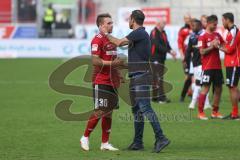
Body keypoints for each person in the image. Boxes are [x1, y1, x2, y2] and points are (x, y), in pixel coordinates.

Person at [107, 10, 170, 153]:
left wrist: (104, 33)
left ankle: (161, 137)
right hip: (136, 75)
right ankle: (137, 142)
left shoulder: (139, 32)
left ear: (133, 20)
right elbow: (130, 52)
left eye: (129, 19)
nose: (128, 22)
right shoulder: (140, 35)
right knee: (137, 110)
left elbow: (118, 42)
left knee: (145, 108)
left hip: (141, 76)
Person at [80, 13, 124, 151]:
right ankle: (85, 137)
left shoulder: (112, 41)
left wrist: (118, 74)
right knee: (100, 111)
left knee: (109, 112)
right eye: (109, 23)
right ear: (101, 25)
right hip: (101, 80)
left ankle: (105, 143)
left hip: (112, 81)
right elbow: (95, 60)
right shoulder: (97, 40)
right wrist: (112, 64)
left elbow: (114, 61)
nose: (112, 25)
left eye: (112, 23)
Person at [197, 15, 224, 120]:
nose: (216, 26)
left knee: (219, 89)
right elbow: (202, 51)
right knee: (205, 88)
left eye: (217, 24)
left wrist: (219, 46)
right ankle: (200, 112)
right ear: (208, 23)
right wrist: (212, 46)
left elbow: (224, 45)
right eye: (214, 24)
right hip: (207, 67)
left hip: (217, 66)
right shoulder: (202, 36)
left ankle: (215, 112)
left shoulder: (217, 35)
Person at [184, 19, 211, 110]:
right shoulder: (192, 36)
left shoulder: (204, 34)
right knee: (202, 83)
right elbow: (188, 50)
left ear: (199, 26)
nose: (192, 27)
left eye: (194, 25)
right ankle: (206, 104)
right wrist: (185, 60)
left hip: (203, 63)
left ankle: (193, 103)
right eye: (192, 25)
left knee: (199, 83)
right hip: (195, 63)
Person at [150, 19, 176, 103]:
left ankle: (154, 97)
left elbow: (166, 44)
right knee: (159, 78)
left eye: (165, 22)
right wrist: (169, 52)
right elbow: (157, 45)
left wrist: (171, 50)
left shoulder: (163, 32)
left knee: (156, 78)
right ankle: (161, 98)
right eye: (163, 23)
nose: (164, 24)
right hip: (155, 58)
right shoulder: (154, 32)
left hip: (161, 58)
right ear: (158, 23)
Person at [220, 12, 240, 120]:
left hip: (234, 63)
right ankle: (235, 112)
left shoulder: (234, 31)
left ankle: (235, 113)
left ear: (228, 20)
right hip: (231, 63)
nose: (222, 22)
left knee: (232, 87)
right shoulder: (230, 32)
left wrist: (217, 46)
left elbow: (230, 49)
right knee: (233, 87)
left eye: (223, 20)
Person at [178, 13, 193, 102]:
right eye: (186, 18)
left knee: (193, 76)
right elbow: (180, 43)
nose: (187, 20)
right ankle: (188, 92)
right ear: (184, 19)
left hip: (194, 56)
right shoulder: (182, 30)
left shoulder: (195, 28)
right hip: (186, 56)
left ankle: (191, 92)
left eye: (189, 18)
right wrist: (182, 55)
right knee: (187, 76)